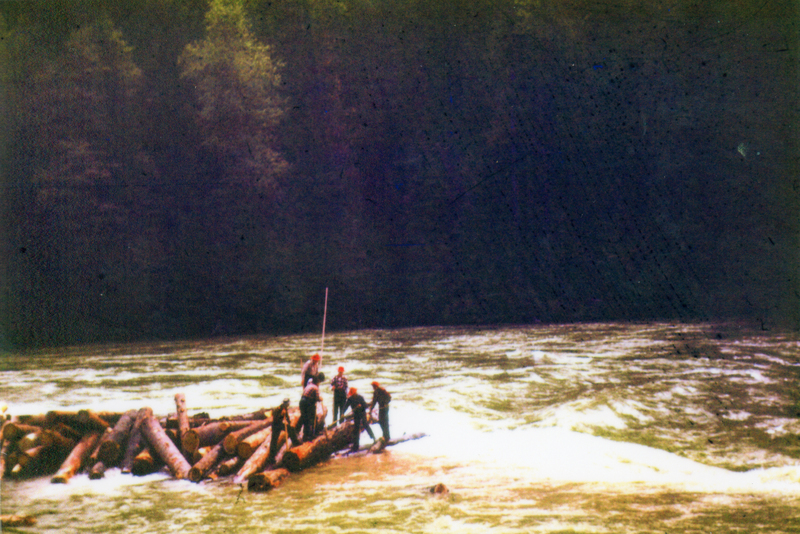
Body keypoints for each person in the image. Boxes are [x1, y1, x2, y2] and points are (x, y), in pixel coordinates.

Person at [343, 387, 375, 452]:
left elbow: (365, 406)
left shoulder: (360, 397)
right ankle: (356, 445)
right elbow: (345, 406)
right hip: (356, 414)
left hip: (362, 413)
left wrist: (361, 406)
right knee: (356, 429)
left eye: (354, 393)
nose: (353, 394)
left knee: (365, 425)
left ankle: (373, 438)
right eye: (352, 393)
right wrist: (342, 413)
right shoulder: (350, 399)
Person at [267, 398, 297, 463]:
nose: (287, 405)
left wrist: (289, 423)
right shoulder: (278, 409)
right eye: (287, 404)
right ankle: (271, 457)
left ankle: (295, 443)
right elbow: (276, 418)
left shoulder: (284, 408)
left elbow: (286, 417)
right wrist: (281, 414)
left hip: (280, 424)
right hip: (276, 425)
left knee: (291, 429)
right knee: (274, 440)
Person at [296, 375, 323, 443]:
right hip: (307, 402)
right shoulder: (315, 388)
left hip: (302, 401)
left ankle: (298, 431)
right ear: (318, 382)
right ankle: (308, 436)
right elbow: (317, 398)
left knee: (304, 417)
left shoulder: (309, 384)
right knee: (308, 419)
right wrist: (321, 399)